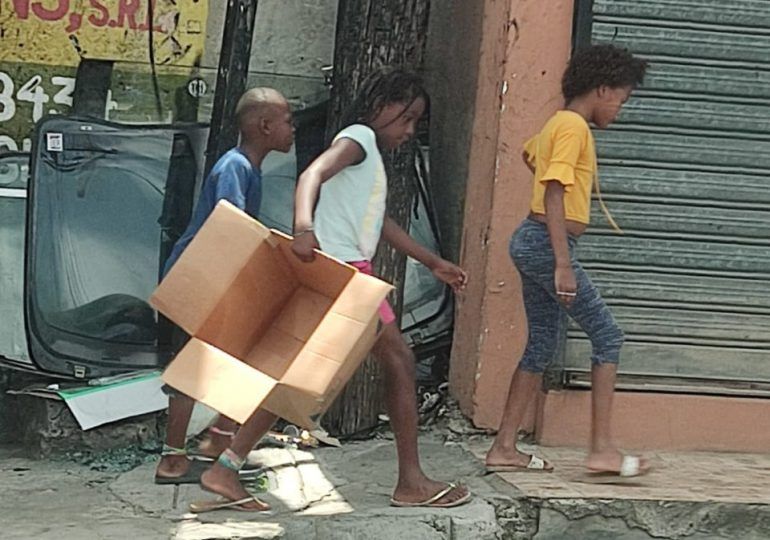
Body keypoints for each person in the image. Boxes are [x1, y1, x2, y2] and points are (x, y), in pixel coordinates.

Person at [196, 68, 471, 512]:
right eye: (407, 118)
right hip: (345, 275)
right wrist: (303, 227)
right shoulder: (359, 138)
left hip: (346, 273)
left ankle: (224, 468)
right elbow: (311, 176)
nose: (409, 130)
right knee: (398, 361)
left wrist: (433, 261)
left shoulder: (366, 154)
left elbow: (378, 222)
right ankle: (411, 481)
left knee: (297, 379)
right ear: (381, 107)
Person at [485, 44, 650, 480]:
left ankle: (504, 447)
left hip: (534, 239)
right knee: (608, 336)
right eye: (622, 97)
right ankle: (601, 450)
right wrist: (562, 262)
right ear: (601, 89)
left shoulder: (560, 124)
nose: (620, 108)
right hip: (546, 245)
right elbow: (555, 187)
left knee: (542, 342)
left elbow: (531, 154)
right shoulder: (575, 127)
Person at [155, 87, 295, 485]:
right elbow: (232, 227)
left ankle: (217, 439)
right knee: (194, 365)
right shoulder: (235, 167)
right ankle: (172, 459)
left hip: (214, 275)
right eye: (287, 121)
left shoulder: (249, 167)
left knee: (230, 360)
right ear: (264, 126)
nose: (293, 129)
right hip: (199, 275)